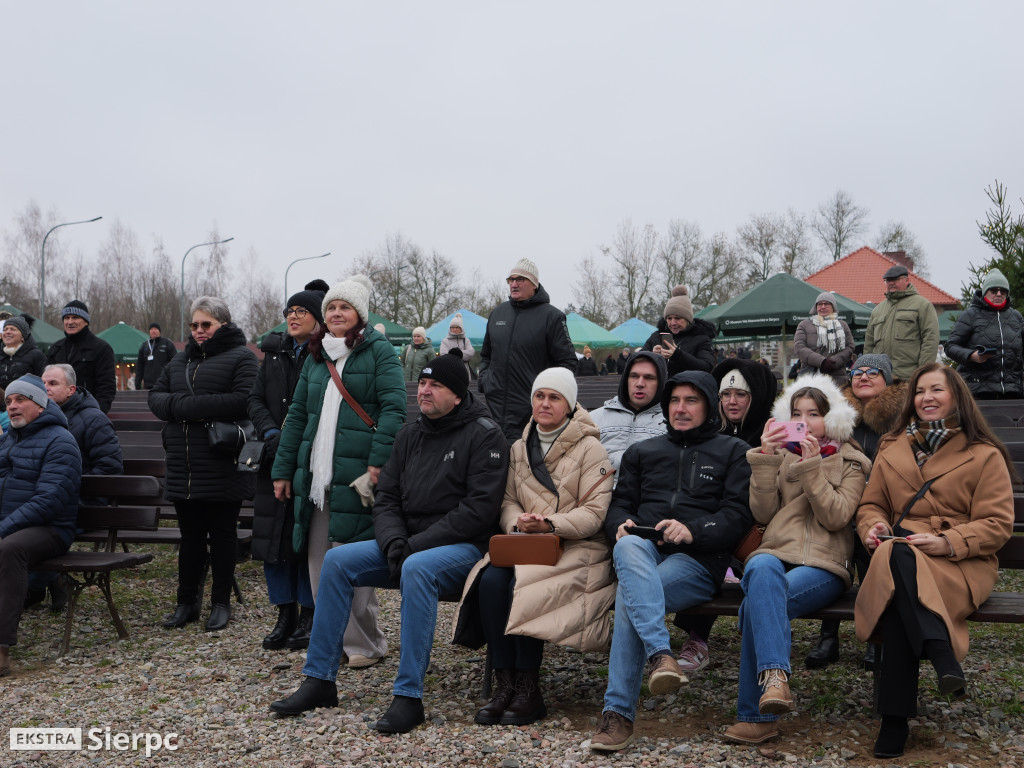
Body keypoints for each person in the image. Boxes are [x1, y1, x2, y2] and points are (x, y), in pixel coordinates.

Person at [270, 352, 508, 733]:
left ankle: (409, 696)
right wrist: (395, 540)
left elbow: (477, 511)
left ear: (459, 395)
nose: (425, 391)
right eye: (423, 383)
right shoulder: (410, 434)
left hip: (465, 550)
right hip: (408, 544)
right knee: (337, 561)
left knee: (416, 568)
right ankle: (319, 680)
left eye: (436, 386)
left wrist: (413, 546)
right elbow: (387, 498)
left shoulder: (484, 435)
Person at [855, 363, 1015, 759]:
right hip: (902, 549)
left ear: (956, 396)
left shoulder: (984, 453)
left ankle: (894, 720)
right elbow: (871, 504)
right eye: (920, 391)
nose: (926, 397)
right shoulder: (892, 446)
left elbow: (997, 524)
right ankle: (940, 653)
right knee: (897, 553)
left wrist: (948, 541)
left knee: (897, 567)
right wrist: (872, 526)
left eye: (937, 390)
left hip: (960, 561)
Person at [589, 371, 752, 752]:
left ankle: (617, 715)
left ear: (709, 405)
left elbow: (737, 516)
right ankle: (662, 655)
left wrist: (694, 529)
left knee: (633, 599)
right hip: (643, 549)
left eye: (691, 401)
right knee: (627, 548)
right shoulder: (643, 452)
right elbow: (619, 505)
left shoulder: (732, 451)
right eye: (675, 401)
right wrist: (620, 525)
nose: (680, 408)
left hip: (697, 560)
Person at [453, 368, 615, 727]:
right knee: (492, 581)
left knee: (526, 584)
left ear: (569, 405)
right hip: (526, 540)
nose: (545, 403)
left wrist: (549, 524)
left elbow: (594, 514)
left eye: (554, 397)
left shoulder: (591, 448)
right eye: (539, 396)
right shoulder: (517, 447)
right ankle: (504, 682)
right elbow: (507, 500)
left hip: (574, 545)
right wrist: (517, 523)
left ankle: (529, 687)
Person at [723, 374, 869, 746]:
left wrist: (812, 467)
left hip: (824, 564)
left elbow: (835, 517)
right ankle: (775, 680)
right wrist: (766, 460)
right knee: (758, 565)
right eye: (797, 413)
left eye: (815, 414)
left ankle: (757, 718)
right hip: (774, 555)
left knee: (759, 604)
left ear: (832, 417)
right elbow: (763, 512)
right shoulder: (782, 456)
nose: (805, 421)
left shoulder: (853, 462)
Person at [271, 275, 404, 669]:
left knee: (353, 558)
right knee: (318, 562)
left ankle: (365, 643)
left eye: (344, 307)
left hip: (357, 475)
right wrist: (282, 470)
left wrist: (378, 465)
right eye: (330, 308)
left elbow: (394, 410)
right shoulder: (317, 354)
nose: (336, 313)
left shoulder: (379, 352)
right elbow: (297, 416)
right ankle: (330, 641)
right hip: (317, 476)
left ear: (359, 314)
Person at [149, 296, 258, 632]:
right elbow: (156, 397)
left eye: (205, 325)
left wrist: (185, 408)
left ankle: (221, 603)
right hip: (185, 463)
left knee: (224, 535)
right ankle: (186, 603)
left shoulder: (243, 357)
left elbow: (244, 400)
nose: (198, 331)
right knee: (191, 536)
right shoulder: (179, 360)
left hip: (222, 460)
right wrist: (185, 406)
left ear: (222, 324)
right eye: (194, 325)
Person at [671, 356, 779, 672]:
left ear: (755, 397)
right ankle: (696, 637)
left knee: (712, 546)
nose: (731, 401)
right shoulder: (710, 432)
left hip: (759, 527)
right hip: (716, 522)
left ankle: (698, 638)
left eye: (741, 394)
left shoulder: (770, 433)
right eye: (725, 395)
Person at [805, 353, 907, 670]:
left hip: (883, 509)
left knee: (872, 554)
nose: (863, 376)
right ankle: (828, 636)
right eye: (857, 372)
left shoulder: (902, 418)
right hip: (839, 503)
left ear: (888, 380)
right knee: (833, 549)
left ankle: (876, 635)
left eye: (873, 372)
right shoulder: (837, 417)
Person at [247, 282, 326, 651]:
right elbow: (255, 398)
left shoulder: (324, 353)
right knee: (272, 539)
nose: (293, 317)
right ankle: (284, 613)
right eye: (289, 312)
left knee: (303, 538)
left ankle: (309, 613)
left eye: (301, 311)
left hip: (309, 457)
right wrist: (269, 430)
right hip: (273, 455)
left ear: (317, 319)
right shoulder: (274, 352)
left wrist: (296, 436)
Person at [0, 374, 82, 676]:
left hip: (50, 529)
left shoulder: (61, 441)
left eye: (21, 399)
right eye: (8, 401)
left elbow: (48, 500)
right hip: (11, 524)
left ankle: (2, 650)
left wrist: (3, 528)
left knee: (9, 550)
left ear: (41, 405)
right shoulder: (8, 440)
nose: (12, 406)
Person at [478, 259, 577, 442]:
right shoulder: (497, 313)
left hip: (531, 414)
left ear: (534, 284)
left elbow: (568, 363)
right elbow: (486, 355)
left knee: (525, 469)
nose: (514, 284)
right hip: (494, 411)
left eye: (520, 279)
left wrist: (546, 394)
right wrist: (485, 380)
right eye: (511, 280)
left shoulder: (552, 317)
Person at [945, 268, 1024, 399]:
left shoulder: (1016, 317)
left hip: (1014, 391)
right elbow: (950, 346)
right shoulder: (970, 315)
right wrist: (971, 355)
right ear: (985, 293)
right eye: (994, 290)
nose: (999, 294)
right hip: (978, 391)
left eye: (1003, 291)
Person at [589, 350, 667, 475]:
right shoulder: (593, 419)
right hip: (601, 492)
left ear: (660, 382)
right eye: (634, 376)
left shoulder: (671, 423)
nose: (640, 384)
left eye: (649, 377)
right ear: (626, 379)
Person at [863, 265, 940, 381]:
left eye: (895, 279)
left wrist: (923, 372)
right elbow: (869, 344)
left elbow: (930, 339)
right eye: (888, 280)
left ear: (907, 280)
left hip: (909, 377)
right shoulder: (877, 310)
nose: (891, 283)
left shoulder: (922, 305)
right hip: (880, 377)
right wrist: (867, 371)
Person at [45, 300, 117, 414]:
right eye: (66, 318)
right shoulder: (56, 348)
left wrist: (97, 413)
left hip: (87, 411)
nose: (70, 322)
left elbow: (106, 387)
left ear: (86, 321)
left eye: (75, 317)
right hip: (56, 411)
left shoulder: (101, 348)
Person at [642, 285, 716, 377]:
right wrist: (652, 355)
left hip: (686, 389)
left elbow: (707, 367)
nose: (673, 323)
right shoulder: (656, 336)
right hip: (659, 390)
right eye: (669, 318)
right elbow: (637, 361)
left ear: (688, 319)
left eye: (677, 318)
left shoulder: (701, 338)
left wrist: (677, 355)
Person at [792, 292, 855, 384]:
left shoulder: (843, 325)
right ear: (816, 307)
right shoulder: (804, 325)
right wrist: (822, 362)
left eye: (827, 304)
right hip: (810, 378)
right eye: (820, 304)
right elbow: (799, 347)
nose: (823, 306)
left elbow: (850, 347)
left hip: (837, 378)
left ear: (833, 306)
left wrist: (834, 362)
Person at [0, 316, 47, 404]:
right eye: (5, 329)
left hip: (28, 407)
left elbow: (43, 384)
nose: (7, 332)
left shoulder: (36, 355)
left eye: (13, 329)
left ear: (23, 336)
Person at [135, 323, 177, 390]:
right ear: (149, 331)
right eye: (151, 329)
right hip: (148, 385)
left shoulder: (167, 343)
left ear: (159, 331)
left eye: (155, 329)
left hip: (164, 383)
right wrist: (137, 384)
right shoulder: (144, 346)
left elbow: (175, 363)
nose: (153, 331)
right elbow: (140, 366)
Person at [439, 313, 474, 377]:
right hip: (449, 371)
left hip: (464, 371)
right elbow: (443, 355)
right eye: (453, 327)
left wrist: (454, 354)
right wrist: (461, 355)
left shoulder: (466, 340)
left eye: (457, 327)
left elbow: (470, 353)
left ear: (461, 328)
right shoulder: (445, 341)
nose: (455, 329)